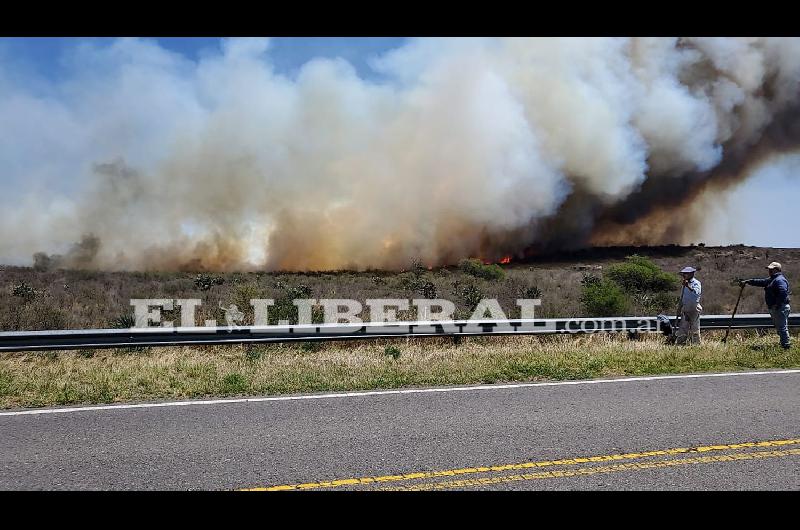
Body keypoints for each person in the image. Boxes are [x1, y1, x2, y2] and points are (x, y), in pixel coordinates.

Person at [740, 262, 792, 349]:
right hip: (778, 307)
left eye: (771, 269)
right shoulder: (772, 279)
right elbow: (761, 282)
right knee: (780, 327)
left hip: (780, 308)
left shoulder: (779, 280)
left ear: (777, 270)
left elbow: (783, 292)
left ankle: (786, 346)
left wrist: (777, 305)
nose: (769, 271)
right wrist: (749, 281)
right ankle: (784, 344)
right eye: (769, 269)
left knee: (782, 327)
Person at [676, 266, 702, 345]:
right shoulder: (684, 284)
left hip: (694, 308)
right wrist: (679, 308)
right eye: (683, 274)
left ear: (691, 274)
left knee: (695, 328)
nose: (684, 275)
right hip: (685, 308)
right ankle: (681, 344)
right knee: (683, 328)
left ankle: (696, 345)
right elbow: (682, 297)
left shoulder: (696, 283)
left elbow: (696, 293)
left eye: (686, 274)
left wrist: (688, 286)